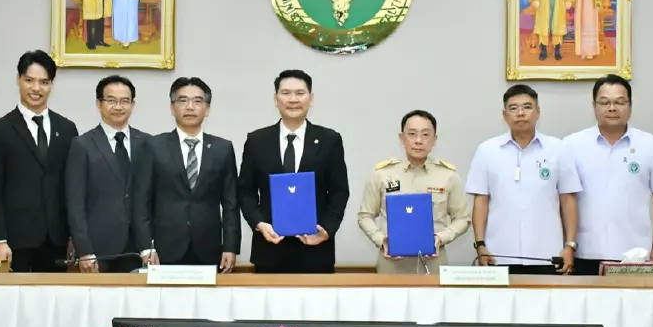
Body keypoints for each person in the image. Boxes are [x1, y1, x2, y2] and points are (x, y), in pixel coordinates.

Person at [239, 69, 350, 274]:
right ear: (275, 98)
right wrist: (259, 223)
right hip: (269, 249)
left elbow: (339, 191)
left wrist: (326, 229)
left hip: (316, 250)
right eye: (286, 93)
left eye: (300, 93)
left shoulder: (329, 140)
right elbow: (245, 191)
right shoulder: (257, 141)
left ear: (311, 98)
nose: (293, 99)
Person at [563, 75, 653, 275]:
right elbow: (565, 199)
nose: (612, 108)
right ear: (594, 106)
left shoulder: (651, 145)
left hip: (636, 254)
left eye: (619, 102)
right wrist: (568, 245)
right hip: (585, 252)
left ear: (630, 106)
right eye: (604, 102)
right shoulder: (571, 145)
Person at [466, 84, 580, 274]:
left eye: (527, 107)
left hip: (548, 254)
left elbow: (568, 201)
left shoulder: (558, 149)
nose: (520, 113)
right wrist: (480, 245)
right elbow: (481, 202)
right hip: (498, 255)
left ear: (538, 112)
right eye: (513, 108)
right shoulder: (487, 151)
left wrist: (570, 246)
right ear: (504, 115)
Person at [0, 51, 79, 272]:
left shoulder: (67, 129)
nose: (36, 88)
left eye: (44, 82)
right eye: (29, 80)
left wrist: (75, 237)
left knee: (55, 304)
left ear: (51, 84)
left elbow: (72, 187)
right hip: (16, 242)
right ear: (18, 79)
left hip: (58, 241)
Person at [132, 77, 240, 271]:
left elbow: (231, 203)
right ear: (172, 108)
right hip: (164, 249)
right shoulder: (154, 146)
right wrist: (146, 247)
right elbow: (142, 202)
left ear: (207, 109)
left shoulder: (222, 148)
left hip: (209, 248)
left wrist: (230, 247)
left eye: (198, 101)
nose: (190, 107)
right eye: (183, 101)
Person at [357, 110, 470, 273]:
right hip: (391, 264)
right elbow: (364, 216)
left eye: (425, 135)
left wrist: (441, 238)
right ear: (402, 138)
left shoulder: (448, 176)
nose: (418, 141)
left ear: (434, 140)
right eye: (412, 134)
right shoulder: (381, 174)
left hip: (434, 263)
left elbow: (463, 219)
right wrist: (381, 240)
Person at [65, 75, 149, 273]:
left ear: (133, 104)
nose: (118, 107)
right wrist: (84, 250)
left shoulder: (147, 143)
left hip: (138, 248)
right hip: (97, 249)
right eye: (111, 100)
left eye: (124, 101)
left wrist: (149, 245)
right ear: (99, 103)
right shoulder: (82, 145)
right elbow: (75, 202)